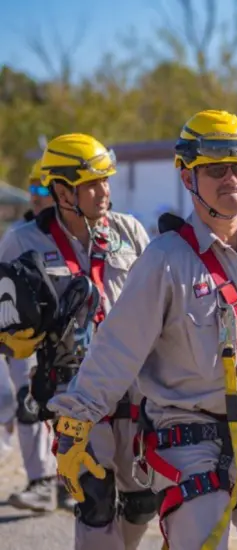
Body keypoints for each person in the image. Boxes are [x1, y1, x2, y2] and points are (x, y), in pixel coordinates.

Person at [48, 109, 237, 550]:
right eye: (216, 170)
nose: (231, 179)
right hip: (190, 441)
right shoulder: (164, 259)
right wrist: (76, 421)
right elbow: (116, 349)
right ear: (187, 176)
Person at [0, 133, 155, 547]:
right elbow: (5, 321)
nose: (104, 192)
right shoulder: (22, 242)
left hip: (134, 388)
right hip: (73, 393)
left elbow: (158, 304)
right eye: (92, 183)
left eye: (106, 180)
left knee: (142, 502)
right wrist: (20, 351)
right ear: (62, 190)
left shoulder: (129, 231)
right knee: (95, 499)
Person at [0, 158, 65, 512]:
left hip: (68, 342)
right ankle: (40, 481)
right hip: (24, 341)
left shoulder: (77, 236)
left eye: (42, 188)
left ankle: (70, 483)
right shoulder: (18, 236)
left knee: (70, 408)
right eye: (32, 188)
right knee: (29, 404)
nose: (35, 195)